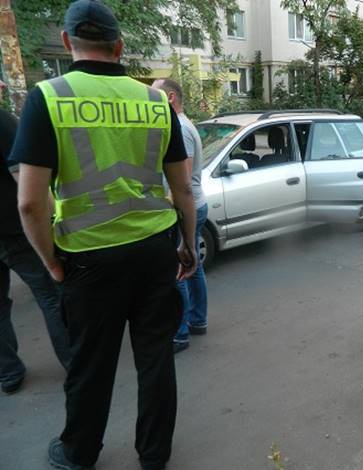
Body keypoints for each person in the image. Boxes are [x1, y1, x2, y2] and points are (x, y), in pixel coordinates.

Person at [9, 1, 197, 469]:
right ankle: (154, 456)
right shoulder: (156, 101)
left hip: (89, 259)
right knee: (156, 359)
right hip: (154, 250)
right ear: (119, 46)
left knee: (91, 364)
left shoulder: (48, 97)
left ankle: (79, 453)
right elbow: (182, 188)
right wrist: (188, 246)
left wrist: (51, 262)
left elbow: (31, 202)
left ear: (70, 43)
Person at [0, 84, 71, 395]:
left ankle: (8, 372)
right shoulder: (5, 122)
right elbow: (30, 193)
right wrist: (52, 223)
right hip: (16, 233)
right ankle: (77, 366)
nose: (3, 85)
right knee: (51, 297)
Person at [152, 78, 208, 354]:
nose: (150, 97)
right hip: (194, 204)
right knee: (193, 267)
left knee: (181, 270)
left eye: (155, 92)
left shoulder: (181, 129)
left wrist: (171, 208)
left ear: (170, 97)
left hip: (186, 206)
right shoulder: (183, 125)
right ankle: (198, 321)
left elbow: (182, 182)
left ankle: (181, 333)